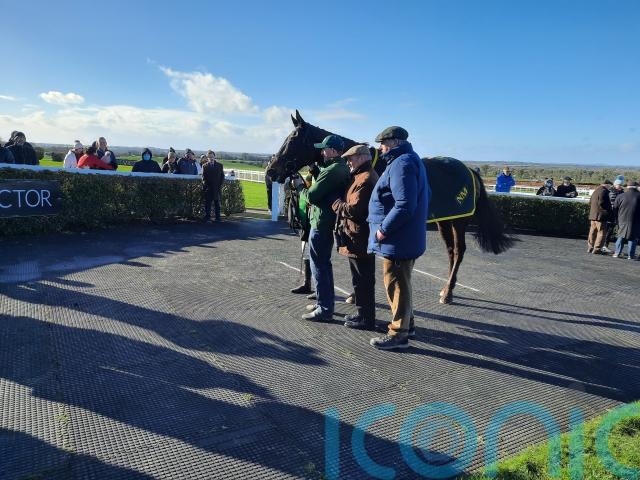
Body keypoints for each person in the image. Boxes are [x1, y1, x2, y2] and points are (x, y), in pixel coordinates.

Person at [368, 126, 429, 350]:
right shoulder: (410, 160)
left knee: (396, 284)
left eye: (383, 143)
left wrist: (383, 230)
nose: (380, 148)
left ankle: (398, 334)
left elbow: (404, 205)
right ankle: (407, 325)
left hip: (397, 238)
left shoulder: (401, 163)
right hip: (404, 236)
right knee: (402, 282)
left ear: (395, 142)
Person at [301, 134, 350, 321]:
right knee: (323, 264)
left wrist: (299, 187)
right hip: (325, 222)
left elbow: (312, 196)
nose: (322, 152)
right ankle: (324, 302)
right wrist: (316, 170)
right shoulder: (338, 167)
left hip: (321, 223)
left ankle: (324, 308)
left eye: (324, 149)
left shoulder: (333, 170)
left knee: (319, 265)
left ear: (333, 151)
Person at [332, 145, 379, 330]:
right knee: (359, 280)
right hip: (357, 237)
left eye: (350, 159)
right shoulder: (361, 176)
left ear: (361, 158)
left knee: (363, 280)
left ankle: (366, 319)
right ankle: (362, 314)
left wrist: (336, 204)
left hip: (361, 238)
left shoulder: (365, 179)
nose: (348, 163)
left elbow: (355, 210)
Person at [613, 181, 640, 259]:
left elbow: (615, 209)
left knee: (621, 236)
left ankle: (617, 253)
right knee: (633, 238)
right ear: (636, 187)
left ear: (628, 187)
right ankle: (630, 255)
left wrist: (617, 219)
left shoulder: (620, 196)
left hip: (622, 219)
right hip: (636, 221)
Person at [587, 180, 613, 254]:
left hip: (593, 215)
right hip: (600, 216)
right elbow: (602, 202)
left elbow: (590, 201)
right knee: (601, 232)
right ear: (607, 185)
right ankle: (597, 249)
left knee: (592, 231)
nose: (610, 187)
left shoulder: (596, 190)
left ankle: (590, 247)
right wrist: (609, 209)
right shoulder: (604, 191)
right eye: (610, 186)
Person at [603, 177, 625, 253]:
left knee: (611, 231)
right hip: (611, 214)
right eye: (619, 185)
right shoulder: (612, 192)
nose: (621, 186)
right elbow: (613, 203)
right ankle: (604, 245)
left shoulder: (621, 192)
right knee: (608, 230)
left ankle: (607, 246)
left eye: (621, 185)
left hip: (617, 214)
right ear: (615, 185)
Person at [202, 150, 225, 222]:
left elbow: (222, 176)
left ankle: (218, 218)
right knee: (208, 204)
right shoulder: (204, 166)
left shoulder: (220, 165)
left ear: (214, 157)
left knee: (217, 204)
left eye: (212, 157)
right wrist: (206, 186)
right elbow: (203, 178)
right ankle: (207, 217)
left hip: (217, 188)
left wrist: (219, 185)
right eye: (209, 157)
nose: (211, 158)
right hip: (208, 188)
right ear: (207, 158)